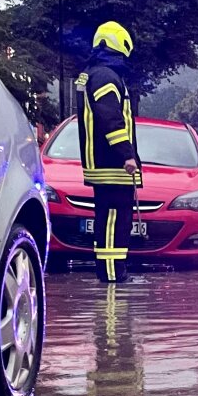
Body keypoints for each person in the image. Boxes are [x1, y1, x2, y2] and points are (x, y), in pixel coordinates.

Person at [76, 21, 141, 283]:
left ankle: (109, 271)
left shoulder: (93, 73)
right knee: (116, 220)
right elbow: (110, 118)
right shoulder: (106, 77)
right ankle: (114, 275)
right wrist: (127, 154)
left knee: (107, 219)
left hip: (102, 161)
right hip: (111, 164)